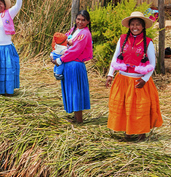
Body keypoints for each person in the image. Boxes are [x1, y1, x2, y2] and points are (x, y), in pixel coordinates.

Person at [106, 11, 163, 140]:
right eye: (132, 24)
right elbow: (115, 58)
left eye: (138, 24)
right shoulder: (122, 39)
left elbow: (152, 63)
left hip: (138, 81)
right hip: (122, 80)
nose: (135, 27)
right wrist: (110, 74)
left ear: (142, 27)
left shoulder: (148, 42)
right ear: (129, 26)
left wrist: (145, 79)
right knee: (124, 106)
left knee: (138, 109)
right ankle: (127, 132)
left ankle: (141, 134)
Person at [51, 10, 93, 123]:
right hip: (69, 64)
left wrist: (60, 60)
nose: (80, 22)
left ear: (88, 22)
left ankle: (79, 120)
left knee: (76, 91)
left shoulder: (84, 34)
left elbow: (76, 50)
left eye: (83, 20)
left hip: (75, 65)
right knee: (71, 90)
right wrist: (55, 52)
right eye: (78, 19)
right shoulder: (74, 30)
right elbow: (62, 42)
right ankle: (75, 117)